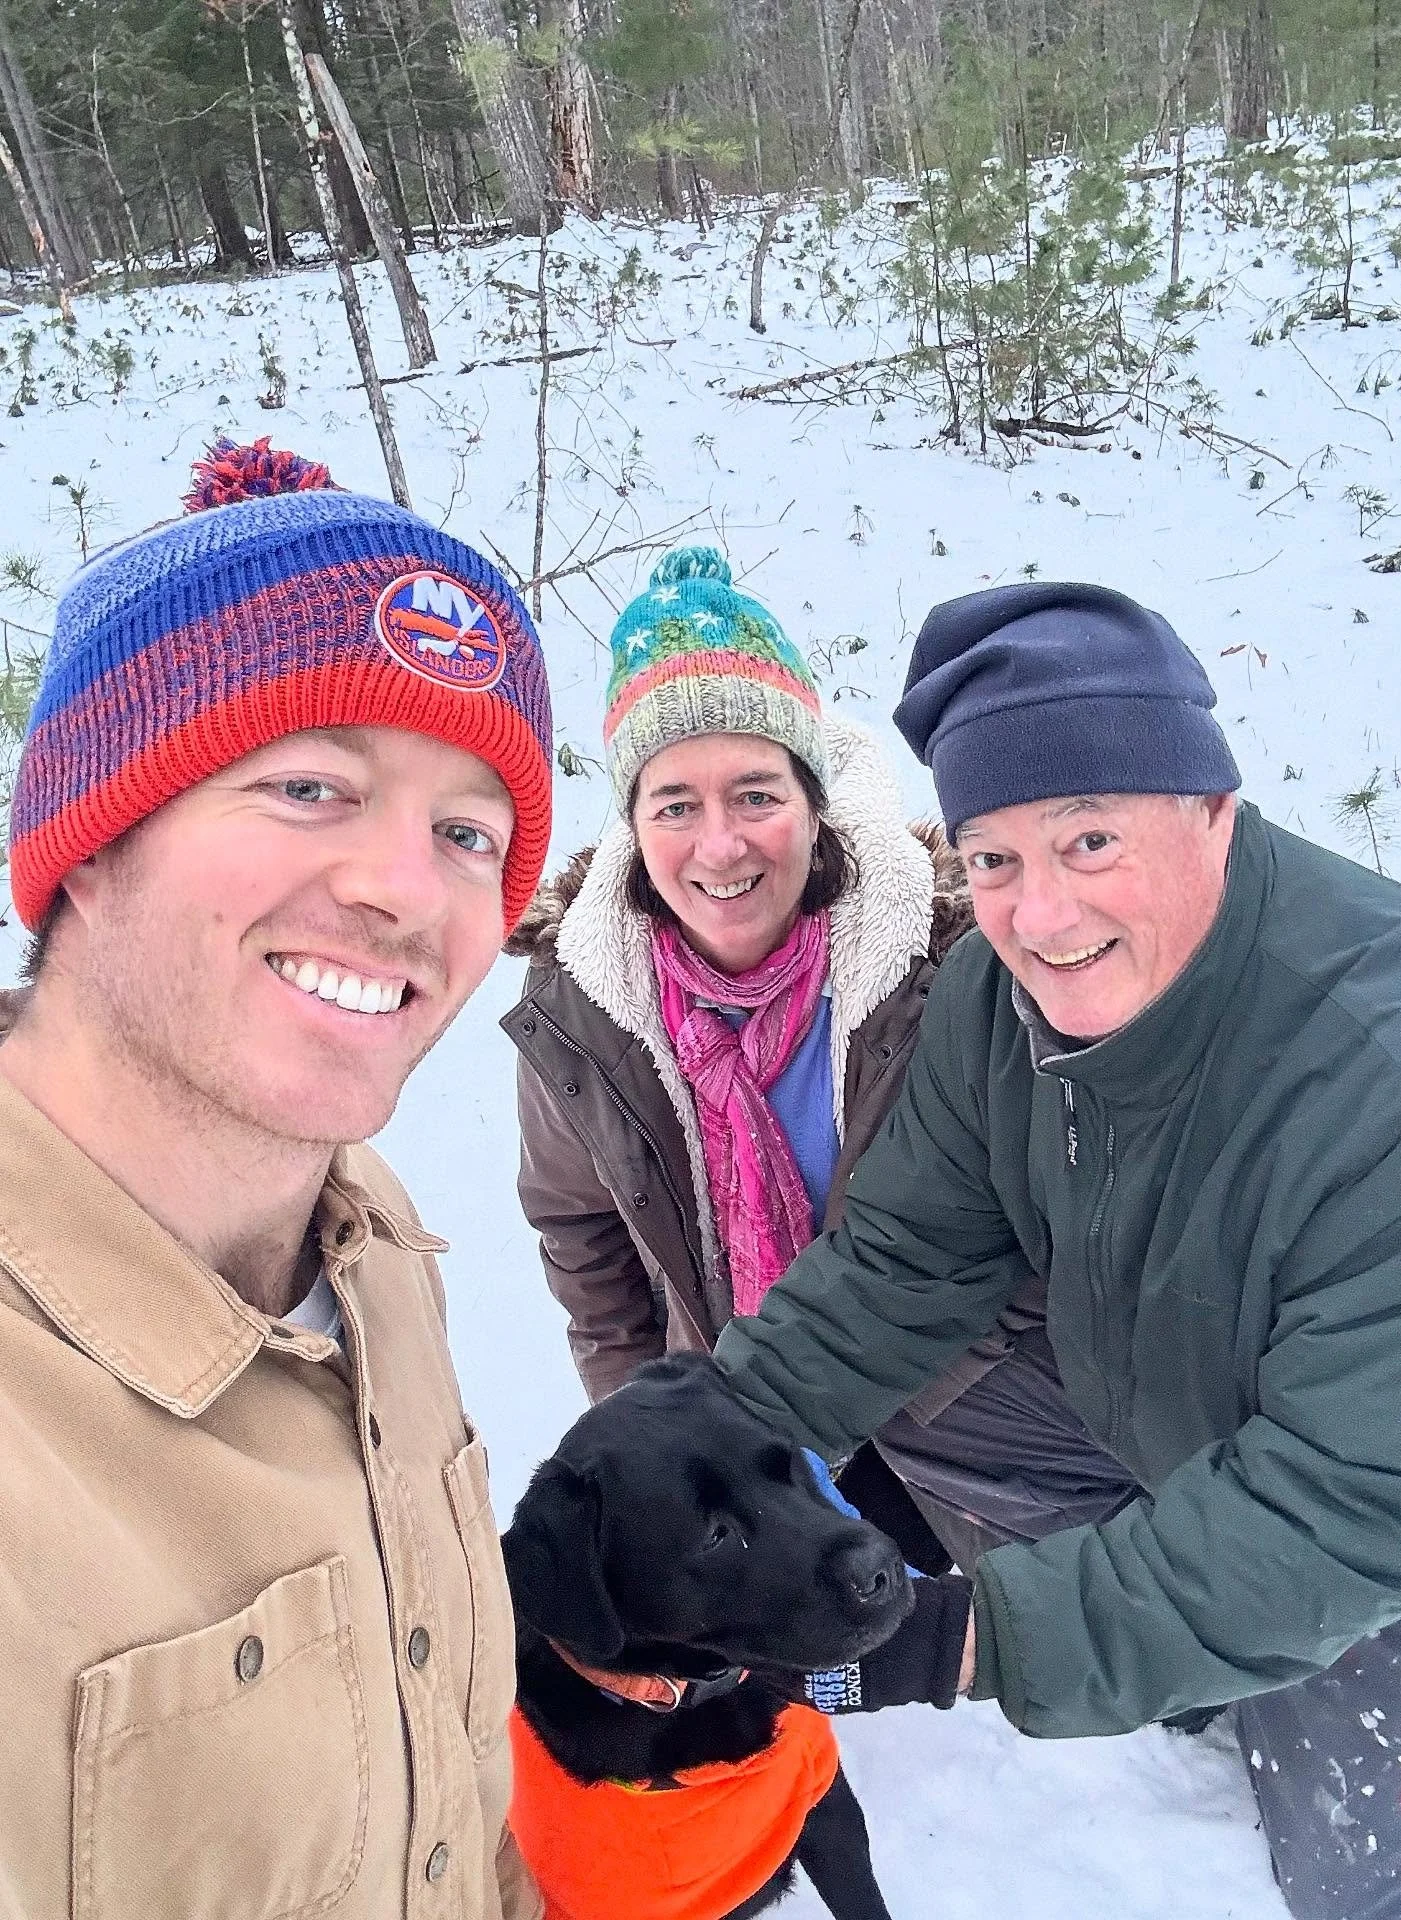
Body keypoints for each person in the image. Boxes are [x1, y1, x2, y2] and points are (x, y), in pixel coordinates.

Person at [699, 581, 1401, 1920]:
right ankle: (1190, 1635)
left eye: (1090, 840)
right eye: (993, 860)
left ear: (1215, 811)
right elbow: (904, 1264)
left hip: (1400, 1525)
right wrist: (684, 1445)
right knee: (927, 1416)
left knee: (1370, 1875)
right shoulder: (1002, 997)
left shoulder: (1398, 1087)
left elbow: (1344, 1506)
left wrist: (962, 1640)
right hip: (1180, 1420)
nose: (1040, 915)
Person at [0, 438, 552, 1917]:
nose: (406, 889)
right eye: (309, 785)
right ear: (91, 839)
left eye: (466, 833)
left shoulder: (378, 1255)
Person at [502, 546, 1043, 1564]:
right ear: (633, 822)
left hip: (965, 1405)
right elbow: (586, 1245)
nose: (720, 846)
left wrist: (938, 1384)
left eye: (756, 794)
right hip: (738, 1405)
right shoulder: (584, 1011)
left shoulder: (939, 965)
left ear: (812, 799)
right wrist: (657, 1435)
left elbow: (1042, 1211)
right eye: (676, 805)